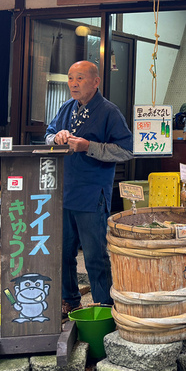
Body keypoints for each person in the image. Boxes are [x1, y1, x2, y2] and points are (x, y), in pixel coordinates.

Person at [46, 60, 133, 315]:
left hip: (93, 194)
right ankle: (69, 300)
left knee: (95, 255)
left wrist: (89, 147)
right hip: (64, 192)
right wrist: (57, 138)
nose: (73, 83)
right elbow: (48, 135)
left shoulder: (109, 112)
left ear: (96, 82)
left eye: (80, 78)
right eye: (71, 78)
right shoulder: (66, 108)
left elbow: (127, 150)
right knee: (62, 253)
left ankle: (105, 304)